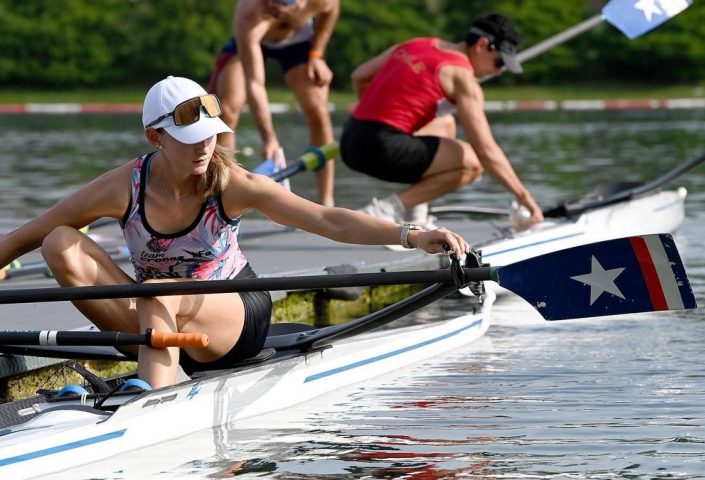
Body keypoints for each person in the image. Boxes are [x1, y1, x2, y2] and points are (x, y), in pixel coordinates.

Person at [0, 77, 470, 390]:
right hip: (156, 314)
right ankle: (157, 373)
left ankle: (154, 406)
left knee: (158, 292)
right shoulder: (121, 186)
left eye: (211, 134)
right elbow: (27, 235)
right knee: (59, 240)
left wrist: (412, 235)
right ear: (155, 137)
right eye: (190, 139)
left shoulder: (233, 184)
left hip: (237, 316)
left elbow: (328, 219)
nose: (206, 145)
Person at [340, 13, 544, 229]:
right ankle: (383, 211)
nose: (499, 71)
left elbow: (359, 76)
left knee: (446, 123)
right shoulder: (462, 79)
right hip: (381, 148)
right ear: (483, 45)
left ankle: (417, 215)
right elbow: (486, 151)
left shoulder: (416, 43)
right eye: (499, 62)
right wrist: (524, 196)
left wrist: (377, 114)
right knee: (473, 164)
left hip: (350, 139)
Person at [208, 0, 339, 207]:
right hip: (252, 44)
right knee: (227, 110)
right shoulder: (250, 13)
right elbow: (255, 83)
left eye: (284, 1)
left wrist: (317, 54)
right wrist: (269, 139)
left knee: (319, 112)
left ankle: (326, 201)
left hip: (298, 44)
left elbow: (333, 9)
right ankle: (222, 196)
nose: (276, 6)